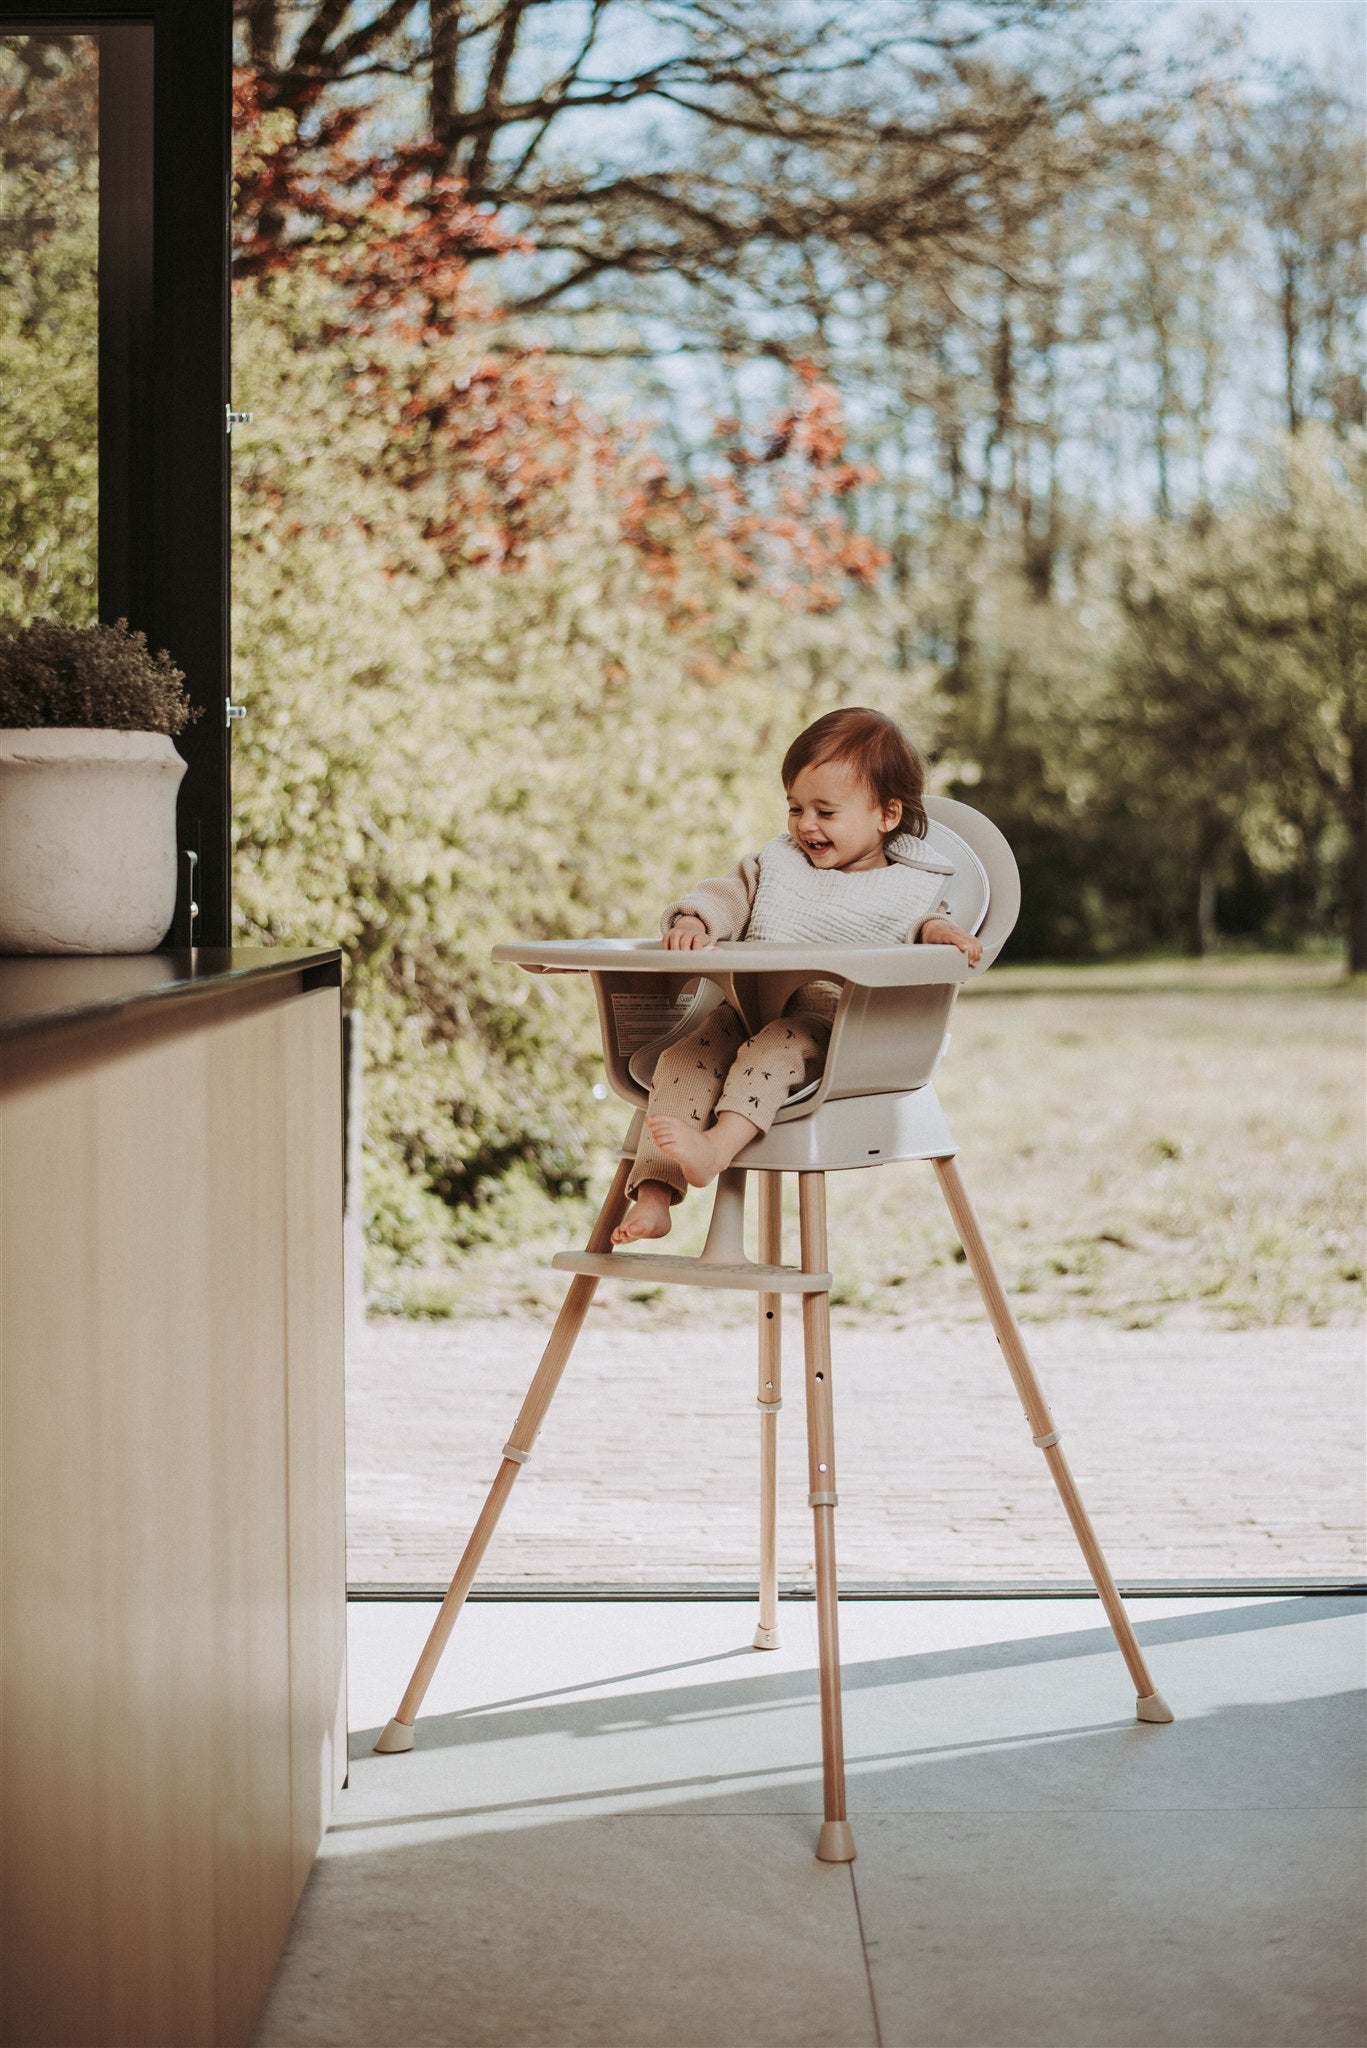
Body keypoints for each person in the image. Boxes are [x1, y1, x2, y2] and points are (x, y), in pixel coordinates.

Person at [612, 706, 983, 1245]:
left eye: (826, 812)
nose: (805, 825)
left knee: (774, 1048)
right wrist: (695, 918)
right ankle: (654, 1196)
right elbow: (727, 893)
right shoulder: (777, 864)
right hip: (745, 1009)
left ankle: (716, 1148)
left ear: (887, 815)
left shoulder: (904, 887)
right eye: (795, 808)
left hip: (831, 1032)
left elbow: (926, 926)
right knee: (683, 1055)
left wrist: (947, 937)